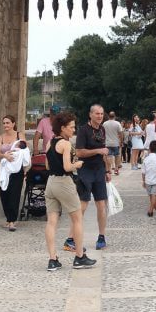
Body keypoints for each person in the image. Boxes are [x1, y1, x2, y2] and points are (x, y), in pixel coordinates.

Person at [44, 111, 96, 271]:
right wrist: (77, 165)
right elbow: (67, 167)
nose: (73, 130)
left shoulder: (49, 143)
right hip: (64, 182)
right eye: (71, 127)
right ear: (63, 128)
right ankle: (79, 256)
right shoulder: (66, 144)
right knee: (77, 219)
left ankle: (52, 259)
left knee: (52, 222)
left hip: (51, 183)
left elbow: (47, 166)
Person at [64, 103, 111, 252]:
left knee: (101, 205)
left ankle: (101, 237)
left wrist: (108, 171)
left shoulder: (102, 130)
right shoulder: (83, 130)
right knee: (82, 206)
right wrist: (98, 150)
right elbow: (79, 152)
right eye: (97, 114)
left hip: (99, 171)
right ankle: (70, 239)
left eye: (102, 114)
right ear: (90, 115)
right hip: (86, 171)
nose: (100, 116)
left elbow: (104, 153)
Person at [0, 116, 30, 231]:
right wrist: (4, 155)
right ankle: (8, 218)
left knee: (14, 194)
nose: (6, 125)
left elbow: (25, 150)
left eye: (8, 123)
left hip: (17, 169)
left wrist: (17, 155)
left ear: (13, 123)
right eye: (4, 123)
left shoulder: (19, 135)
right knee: (4, 192)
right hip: (4, 168)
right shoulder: (0, 137)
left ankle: (12, 221)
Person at [141, 141, 156, 216]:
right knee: (154, 196)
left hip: (147, 180)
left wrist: (143, 181)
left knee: (151, 196)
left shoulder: (145, 159)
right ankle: (150, 210)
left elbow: (143, 172)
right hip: (155, 180)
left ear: (149, 149)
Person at [103, 110, 124, 175]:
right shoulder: (117, 123)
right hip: (116, 143)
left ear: (109, 116)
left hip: (107, 142)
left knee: (108, 156)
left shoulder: (105, 123)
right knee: (117, 156)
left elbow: (103, 133)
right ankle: (116, 169)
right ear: (114, 116)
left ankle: (109, 169)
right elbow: (121, 133)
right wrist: (121, 141)